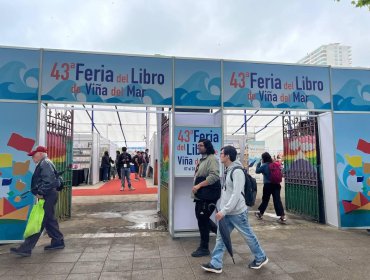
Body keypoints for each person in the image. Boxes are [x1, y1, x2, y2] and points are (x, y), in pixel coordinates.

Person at [201, 145, 268, 273]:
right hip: (228, 212)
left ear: (227, 156)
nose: (220, 155)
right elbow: (228, 192)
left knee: (248, 236)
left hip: (237, 213)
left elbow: (236, 195)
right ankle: (216, 263)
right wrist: (223, 209)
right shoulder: (228, 170)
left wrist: (223, 211)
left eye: (221, 154)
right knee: (221, 237)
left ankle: (261, 257)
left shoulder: (237, 172)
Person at [10, 146, 65, 257]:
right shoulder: (46, 163)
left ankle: (25, 248)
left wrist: (40, 192)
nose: (32, 158)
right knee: (48, 219)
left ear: (40, 153)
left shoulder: (44, 163)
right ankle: (58, 241)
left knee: (39, 220)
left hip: (47, 195)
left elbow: (49, 181)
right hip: (50, 194)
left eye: (33, 155)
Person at [191, 139, 220, 257]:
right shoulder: (204, 159)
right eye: (197, 145)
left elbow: (214, 176)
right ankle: (220, 233)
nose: (198, 147)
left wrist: (198, 185)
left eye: (201, 145)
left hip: (208, 195)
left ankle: (204, 248)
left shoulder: (212, 159)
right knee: (201, 217)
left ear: (207, 147)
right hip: (202, 195)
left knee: (202, 219)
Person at [255, 152, 287, 223]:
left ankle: (260, 214)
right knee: (277, 200)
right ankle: (282, 217)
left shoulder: (264, 166)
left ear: (263, 159)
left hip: (268, 185)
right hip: (277, 184)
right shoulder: (275, 164)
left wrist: (258, 163)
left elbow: (257, 171)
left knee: (265, 200)